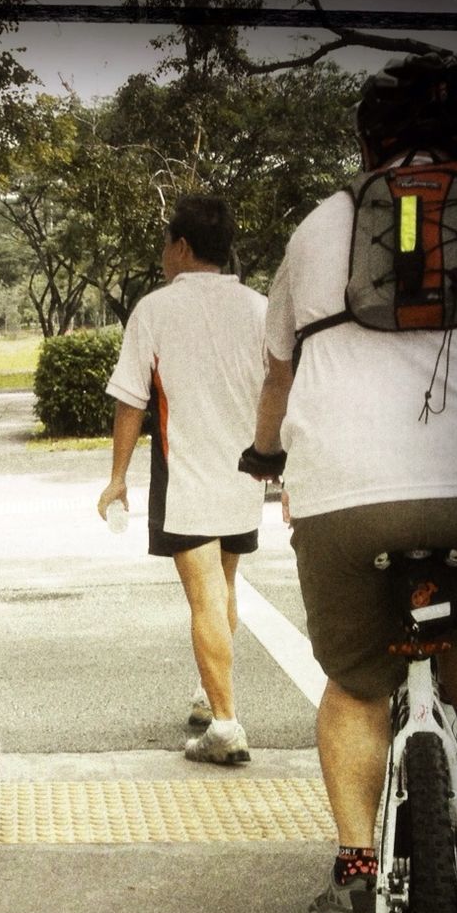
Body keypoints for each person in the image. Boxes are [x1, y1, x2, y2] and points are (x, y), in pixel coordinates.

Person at [242, 52, 457, 913]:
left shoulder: (318, 228)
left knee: (356, 684)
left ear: (369, 144)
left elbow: (278, 378)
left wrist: (265, 459)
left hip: (344, 493)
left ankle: (357, 869)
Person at [97, 195, 268, 764]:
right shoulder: (259, 308)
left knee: (204, 601)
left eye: (168, 245)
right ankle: (208, 694)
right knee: (223, 590)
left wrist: (117, 478)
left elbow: (130, 401)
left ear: (184, 247)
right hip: (245, 475)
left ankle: (224, 725)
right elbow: (281, 390)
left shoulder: (155, 309)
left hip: (187, 477)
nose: (165, 255)